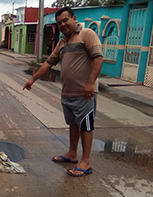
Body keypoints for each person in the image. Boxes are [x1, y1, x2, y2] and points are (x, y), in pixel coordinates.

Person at [23, 7, 103, 177]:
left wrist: (90, 83)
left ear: (74, 18)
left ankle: (85, 161)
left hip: (85, 93)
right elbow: (49, 63)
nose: (63, 24)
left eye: (65, 20)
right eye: (59, 22)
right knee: (73, 124)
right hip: (67, 93)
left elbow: (98, 57)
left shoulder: (87, 34)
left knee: (85, 126)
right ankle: (72, 154)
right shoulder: (62, 42)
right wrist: (33, 79)